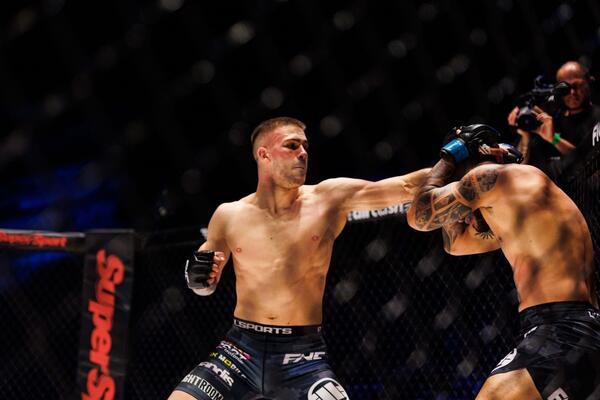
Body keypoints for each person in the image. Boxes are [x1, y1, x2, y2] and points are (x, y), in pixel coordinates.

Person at [168, 116, 430, 400]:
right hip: (239, 351)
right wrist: (197, 279)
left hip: (302, 357)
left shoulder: (328, 199)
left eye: (305, 147)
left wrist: (456, 159)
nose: (303, 153)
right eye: (292, 146)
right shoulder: (229, 215)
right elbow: (204, 285)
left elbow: (406, 186)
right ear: (264, 154)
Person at [407, 124, 600, 400]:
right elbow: (455, 245)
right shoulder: (524, 204)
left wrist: (447, 160)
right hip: (576, 330)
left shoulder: (490, 177)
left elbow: (419, 217)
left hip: (559, 330)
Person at [507, 61, 600, 175]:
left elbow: (587, 160)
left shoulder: (596, 116)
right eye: (565, 88)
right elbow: (520, 170)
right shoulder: (546, 119)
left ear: (589, 82)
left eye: (577, 85)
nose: (572, 92)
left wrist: (554, 139)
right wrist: (525, 134)